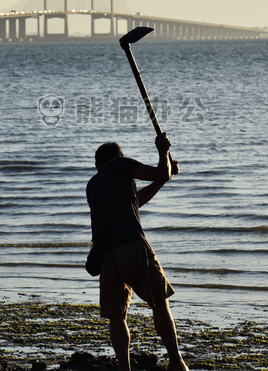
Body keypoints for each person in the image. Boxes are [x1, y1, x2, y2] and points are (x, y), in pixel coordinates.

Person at [86, 132, 188, 371]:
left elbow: (135, 201)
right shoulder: (121, 165)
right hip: (133, 247)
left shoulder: (93, 185)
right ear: (118, 158)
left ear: (97, 164)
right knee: (160, 304)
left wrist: (164, 177)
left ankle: (125, 368)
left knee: (117, 317)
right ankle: (176, 362)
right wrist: (162, 151)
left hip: (108, 258)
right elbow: (161, 172)